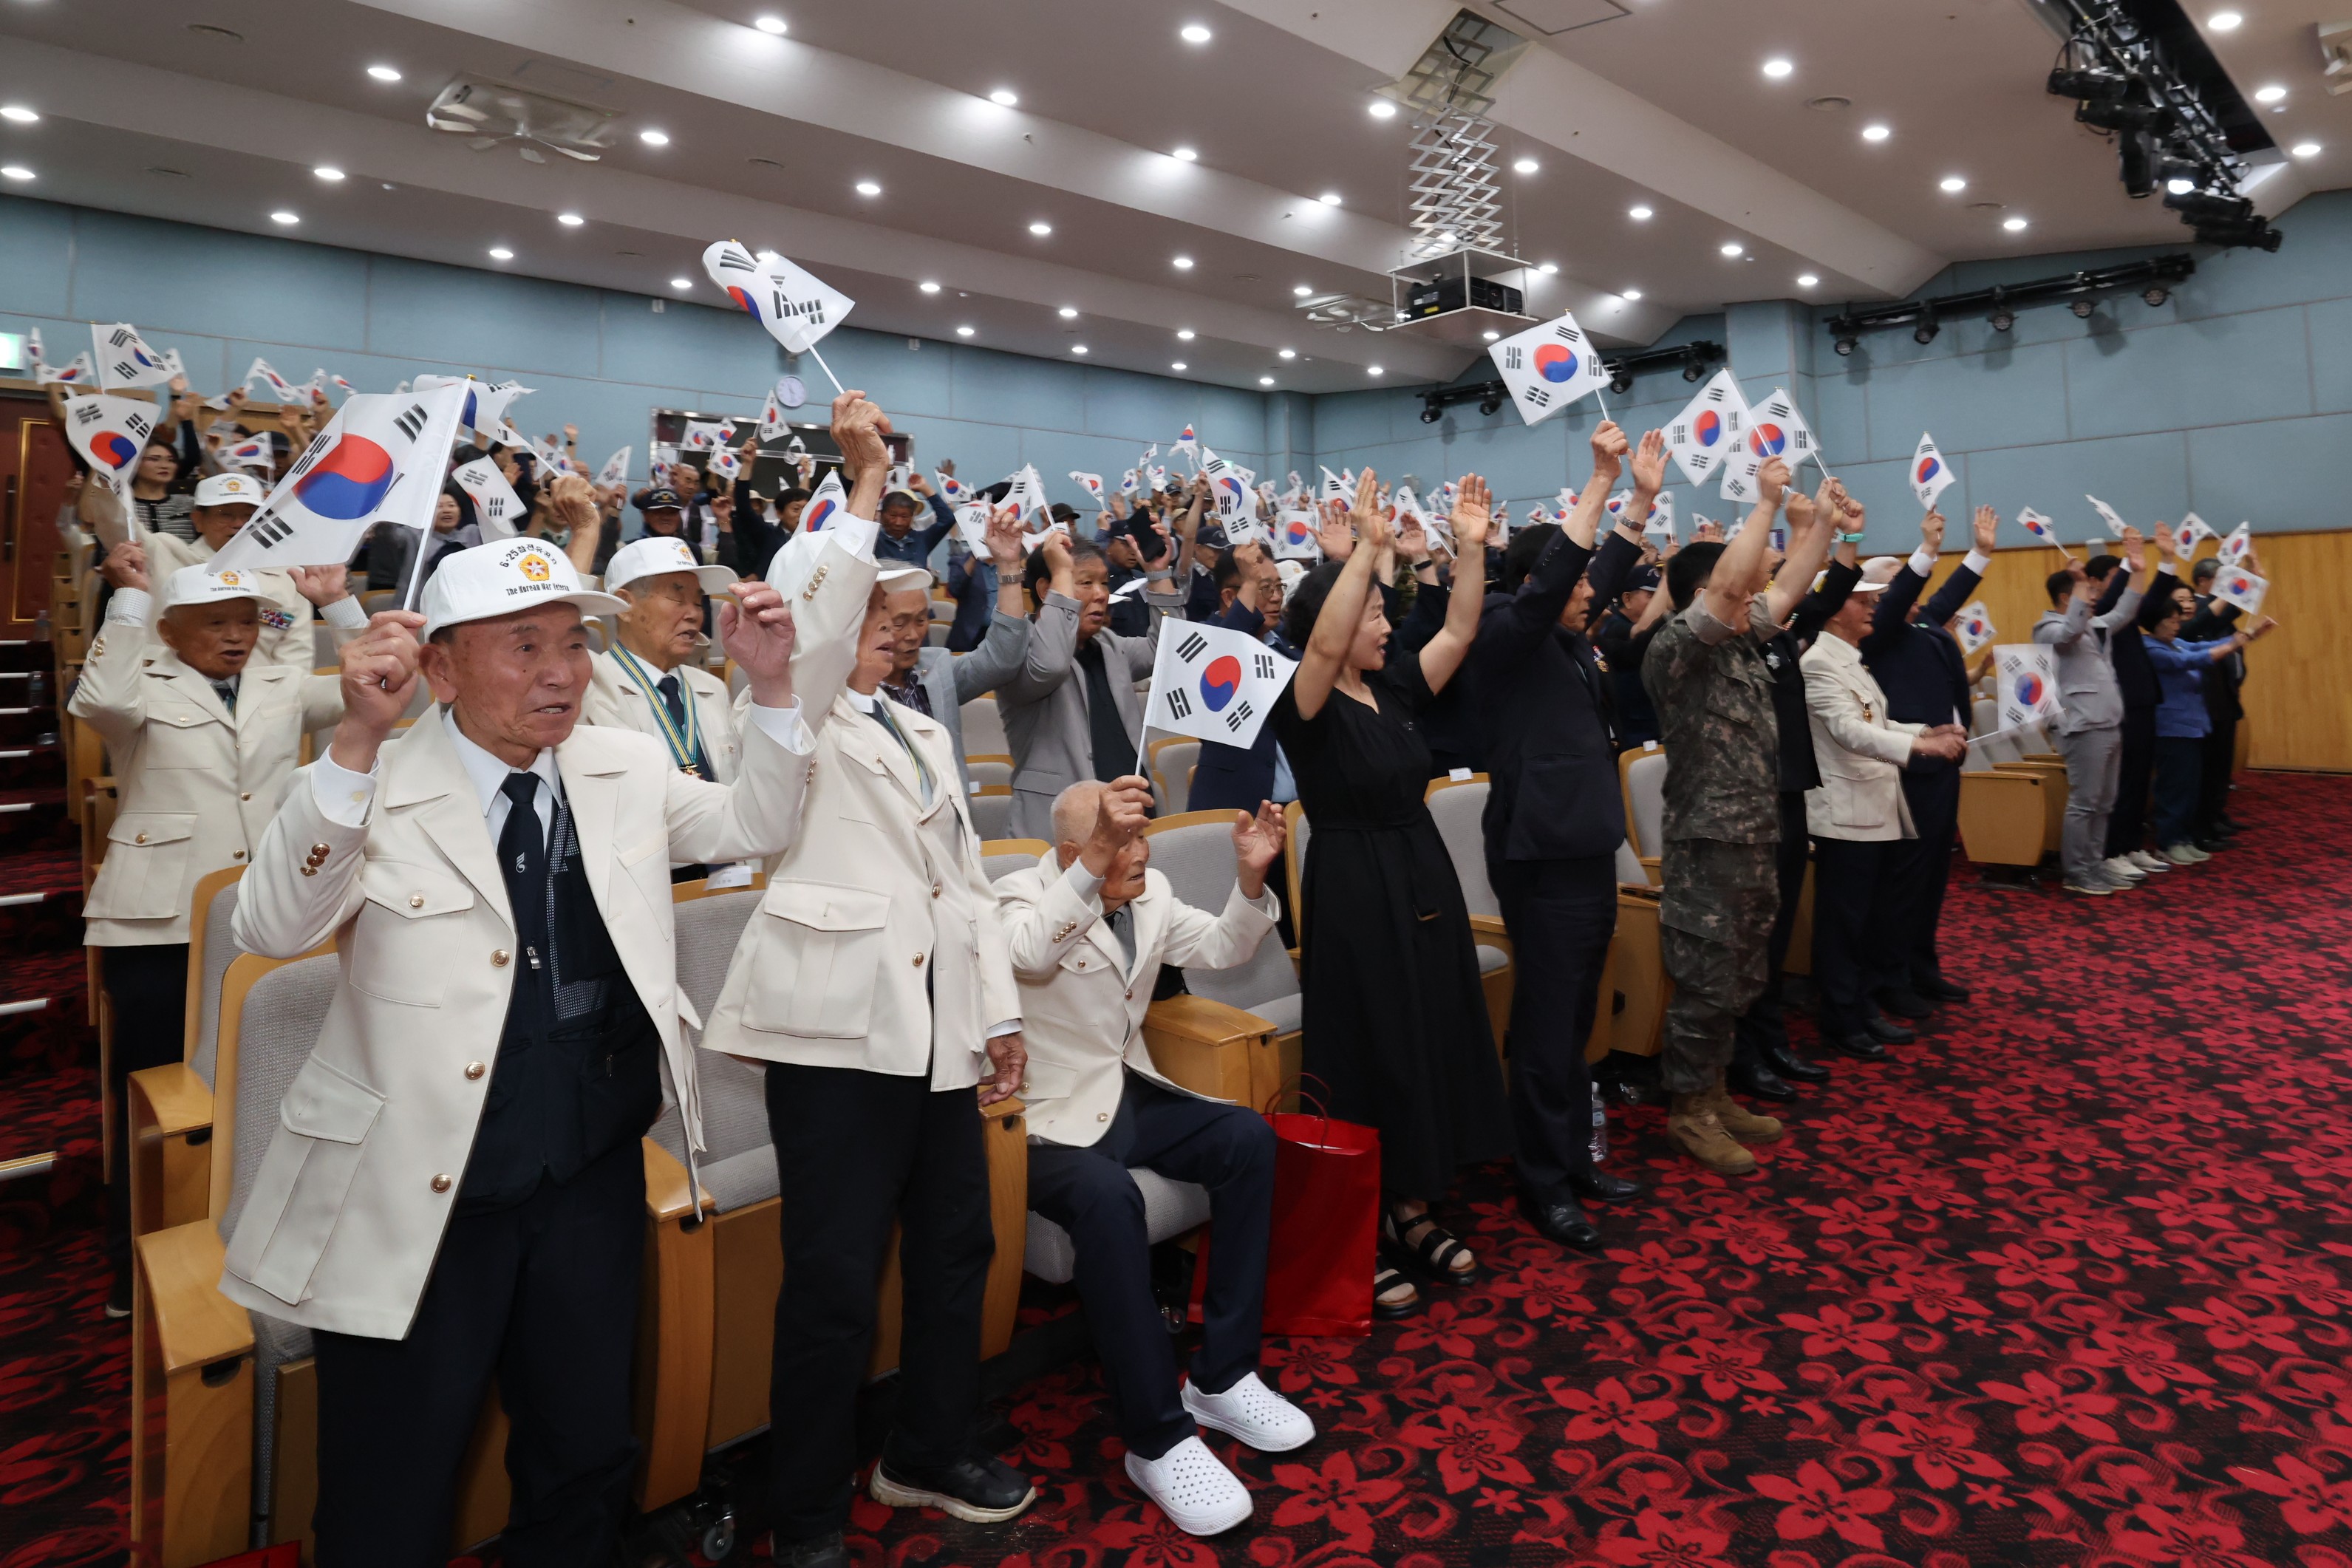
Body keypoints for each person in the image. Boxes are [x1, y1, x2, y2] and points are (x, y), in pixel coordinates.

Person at [219, 532, 814, 1567]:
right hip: (420, 1192)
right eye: (524, 645)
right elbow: (270, 927)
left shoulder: (620, 762)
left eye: (574, 643)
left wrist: (768, 691)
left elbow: (752, 821)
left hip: (588, 1178)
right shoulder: (378, 780)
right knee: (391, 1479)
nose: (560, 671)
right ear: (440, 667)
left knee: (584, 1454)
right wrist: (354, 742)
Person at [698, 393, 1035, 1568]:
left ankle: (926, 1450)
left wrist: (997, 1014)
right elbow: (826, 609)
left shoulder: (918, 729)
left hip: (937, 1034)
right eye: (884, 612)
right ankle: (808, 1514)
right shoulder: (784, 710)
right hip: (837, 1042)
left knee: (955, 1249)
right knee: (833, 1285)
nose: (901, 628)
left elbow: (967, 889)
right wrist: (866, 481)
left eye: (912, 614)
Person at [994, 778, 1312, 1536]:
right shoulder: (1013, 895)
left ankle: (1224, 1374)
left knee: (1247, 1138)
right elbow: (1030, 955)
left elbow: (1221, 948)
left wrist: (1250, 876)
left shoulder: (1151, 889)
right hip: (1038, 1119)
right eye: (1119, 838)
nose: (1141, 851)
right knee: (1109, 1198)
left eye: (1141, 835)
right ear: (1076, 851)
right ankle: (1156, 1437)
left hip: (1123, 1093)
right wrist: (1091, 869)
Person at [70, 561, 345, 1316]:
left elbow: (371, 691)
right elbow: (96, 700)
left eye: (248, 620)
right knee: (162, 1100)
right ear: (169, 629)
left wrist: (341, 606)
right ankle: (138, 1259)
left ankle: (256, 1245)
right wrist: (128, 597)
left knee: (268, 1088)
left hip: (264, 915)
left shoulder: (279, 683)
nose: (236, 636)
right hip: (157, 921)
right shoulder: (139, 679)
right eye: (216, 622)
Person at [1271, 469, 1504, 1317]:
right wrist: (1366, 553)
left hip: (1418, 868)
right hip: (1353, 884)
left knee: (1427, 1031)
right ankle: (1358, 1223)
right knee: (1367, 1046)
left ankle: (1412, 1202)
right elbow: (1327, 649)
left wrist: (1472, 548)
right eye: (1372, 612)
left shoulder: (1396, 685)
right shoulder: (1304, 703)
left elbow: (1463, 625)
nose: (1384, 623)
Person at [1469, 423, 1648, 1250]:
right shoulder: (1506, 629)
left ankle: (1574, 1157)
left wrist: (1640, 501)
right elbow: (1558, 586)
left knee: (1576, 1021)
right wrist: (1601, 483)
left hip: (1583, 852)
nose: (1594, 594)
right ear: (1543, 578)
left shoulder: (1572, 642)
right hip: (1539, 859)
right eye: (1575, 583)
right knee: (1545, 1032)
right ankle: (1542, 1183)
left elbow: (1597, 575)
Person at [1639, 456, 1831, 1176]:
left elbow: (1789, 586)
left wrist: (1820, 526)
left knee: (1744, 974)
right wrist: (1765, 504)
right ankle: (1688, 1111)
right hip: (1707, 842)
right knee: (1706, 979)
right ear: (1700, 591)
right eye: (1735, 577)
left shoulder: (1745, 639)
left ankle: (1714, 1092)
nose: (1752, 584)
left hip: (1754, 833)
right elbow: (1730, 585)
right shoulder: (1676, 650)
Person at [1800, 559, 1969, 1054]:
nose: (1872, 605)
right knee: (1844, 923)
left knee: (1866, 919)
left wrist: (1924, 732)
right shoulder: (1817, 663)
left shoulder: (1850, 658)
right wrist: (1920, 748)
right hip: (1845, 813)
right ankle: (1841, 1017)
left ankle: (1861, 1007)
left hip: (1873, 808)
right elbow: (1850, 732)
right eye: (1861, 600)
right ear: (1834, 612)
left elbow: (1879, 720)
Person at [1857, 502, 1997, 1019]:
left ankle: (1921, 965)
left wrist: (1978, 554)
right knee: (1905, 880)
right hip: (1909, 765)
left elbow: (1944, 597)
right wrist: (1927, 551)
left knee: (1934, 873)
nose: (1908, 590)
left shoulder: (1924, 625)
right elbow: (1899, 602)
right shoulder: (1880, 631)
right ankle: (1890, 977)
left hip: (1943, 764)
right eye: (1896, 582)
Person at [999, 530, 1188, 839]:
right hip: (1061, 831)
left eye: (1104, 582)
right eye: (1086, 583)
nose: (1101, 594)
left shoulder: (1110, 645)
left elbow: (1172, 649)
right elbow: (1051, 665)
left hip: (1131, 817)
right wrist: (1060, 584)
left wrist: (1158, 573)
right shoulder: (1018, 653)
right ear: (1047, 590)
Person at [873, 505, 1034, 791]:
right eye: (900, 624)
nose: (914, 635)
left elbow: (1003, 658)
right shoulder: (844, 688)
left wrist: (1009, 566)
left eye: (922, 620)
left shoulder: (937, 670)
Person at [144, 471, 367, 674]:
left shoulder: (289, 576)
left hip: (262, 701)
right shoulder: (168, 556)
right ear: (198, 520)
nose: (238, 524)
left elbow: (296, 655)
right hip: (179, 695)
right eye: (225, 514)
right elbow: (116, 524)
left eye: (249, 515)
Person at [2034, 534, 2151, 896]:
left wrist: (2138, 571)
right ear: (2068, 598)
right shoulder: (2047, 627)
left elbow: (2126, 610)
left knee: (2104, 802)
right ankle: (2077, 871)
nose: (2095, 595)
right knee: (2085, 802)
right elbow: (2070, 631)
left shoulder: (2096, 625)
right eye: (2085, 590)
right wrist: (2084, 584)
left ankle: (2095, 863)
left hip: (2109, 721)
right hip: (2082, 725)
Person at [2141, 588, 2269, 865]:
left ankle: (2184, 838)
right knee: (2173, 789)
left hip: (2192, 726)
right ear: (2157, 622)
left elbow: (2200, 648)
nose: (2178, 626)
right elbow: (2191, 660)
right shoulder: (2152, 648)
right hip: (2171, 728)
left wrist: (2243, 637)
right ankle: (2168, 841)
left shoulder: (2175, 642)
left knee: (2190, 787)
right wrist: (2235, 643)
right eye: (2172, 621)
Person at [1187, 540, 1296, 815]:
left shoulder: (1286, 643)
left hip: (1295, 814)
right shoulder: (1201, 644)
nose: (1276, 597)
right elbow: (1227, 653)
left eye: (1278, 587)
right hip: (1236, 813)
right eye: (1264, 588)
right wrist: (1249, 584)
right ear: (1230, 597)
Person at [2186, 553, 2251, 848]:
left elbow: (2236, 607)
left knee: (2221, 765)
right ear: (2203, 582)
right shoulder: (2197, 612)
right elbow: (2224, 614)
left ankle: (2215, 815)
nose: (2226, 587)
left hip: (2223, 695)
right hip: (2206, 702)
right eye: (2221, 581)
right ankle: (2204, 823)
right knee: (2207, 768)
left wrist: (2251, 574)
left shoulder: (2212, 611)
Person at [874, 477, 956, 570]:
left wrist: (925, 488)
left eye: (904, 517)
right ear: (882, 514)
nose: (898, 523)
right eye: (893, 516)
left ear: (912, 517)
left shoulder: (922, 540)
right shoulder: (872, 541)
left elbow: (948, 519)